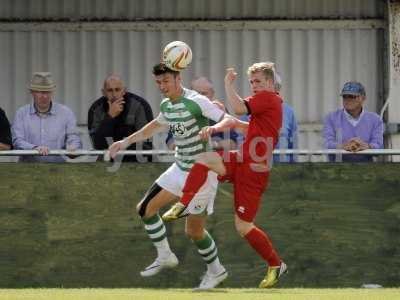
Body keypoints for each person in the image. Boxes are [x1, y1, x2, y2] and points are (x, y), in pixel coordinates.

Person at [163, 62, 287, 288]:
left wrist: (228, 85)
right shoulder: (266, 103)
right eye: (251, 82)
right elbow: (249, 127)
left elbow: (239, 108)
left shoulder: (269, 98)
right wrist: (224, 124)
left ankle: (276, 264)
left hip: (254, 170)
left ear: (270, 82)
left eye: (258, 81)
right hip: (242, 159)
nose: (254, 86)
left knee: (243, 227)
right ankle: (184, 203)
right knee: (205, 159)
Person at [108, 63, 231, 290]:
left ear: (178, 78)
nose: (162, 87)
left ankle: (216, 270)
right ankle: (165, 255)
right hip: (179, 167)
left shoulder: (197, 101)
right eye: (158, 83)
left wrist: (217, 121)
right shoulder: (167, 105)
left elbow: (226, 120)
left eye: (166, 81)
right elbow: (153, 127)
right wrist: (125, 142)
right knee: (145, 209)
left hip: (201, 174)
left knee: (193, 231)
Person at [12, 72, 82, 162]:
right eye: (40, 92)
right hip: (28, 169)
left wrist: (73, 147)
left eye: (48, 92)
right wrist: (34, 148)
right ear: (32, 92)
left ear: (52, 92)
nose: (44, 96)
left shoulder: (66, 113)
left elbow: (73, 136)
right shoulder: (21, 114)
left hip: (59, 170)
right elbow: (17, 141)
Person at [88, 75, 153, 162]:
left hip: (138, 157)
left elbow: (146, 143)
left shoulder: (139, 105)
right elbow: (97, 145)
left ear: (124, 91)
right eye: (110, 90)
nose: (114, 94)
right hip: (109, 157)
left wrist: (121, 146)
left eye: (117, 90)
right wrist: (110, 117)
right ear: (103, 92)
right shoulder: (96, 109)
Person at [166, 76, 238, 151]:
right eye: (196, 93)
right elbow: (171, 144)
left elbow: (232, 144)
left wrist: (213, 144)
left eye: (204, 93)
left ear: (212, 94)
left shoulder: (219, 111)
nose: (199, 97)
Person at [238, 73, 298, 162]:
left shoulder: (289, 112)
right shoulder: (246, 110)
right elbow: (240, 140)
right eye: (253, 83)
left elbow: (293, 144)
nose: (255, 86)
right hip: (254, 167)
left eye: (260, 83)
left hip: (282, 168)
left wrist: (293, 169)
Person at [323, 81, 383, 162]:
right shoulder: (331, 118)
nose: (347, 100)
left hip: (367, 171)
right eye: (344, 96)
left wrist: (367, 146)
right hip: (337, 170)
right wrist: (343, 146)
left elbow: (379, 146)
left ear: (363, 98)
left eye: (352, 96)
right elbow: (327, 144)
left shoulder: (375, 119)